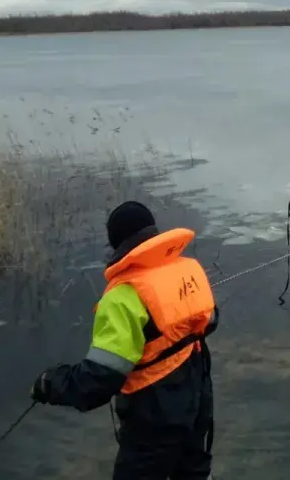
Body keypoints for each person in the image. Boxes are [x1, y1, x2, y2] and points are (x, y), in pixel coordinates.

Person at [29, 201, 219, 480]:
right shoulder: (187, 269)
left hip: (154, 418)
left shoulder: (121, 297)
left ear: (116, 244)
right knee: (195, 474)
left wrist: (50, 384)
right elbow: (211, 321)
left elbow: (99, 380)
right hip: (198, 399)